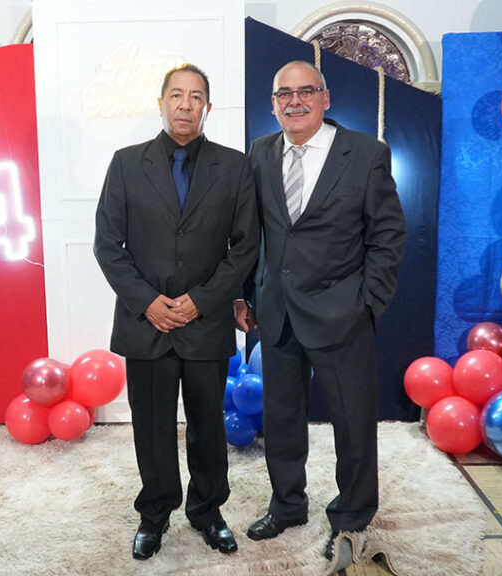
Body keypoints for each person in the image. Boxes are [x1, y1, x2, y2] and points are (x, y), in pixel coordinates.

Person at [236, 60, 407, 563]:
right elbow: (251, 233)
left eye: (306, 91)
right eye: (283, 93)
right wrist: (245, 294)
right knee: (281, 418)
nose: (295, 101)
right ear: (273, 104)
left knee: (353, 424)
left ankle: (351, 517)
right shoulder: (261, 152)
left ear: (325, 98)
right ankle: (287, 505)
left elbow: (388, 235)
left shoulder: (366, 153)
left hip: (342, 312)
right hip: (277, 311)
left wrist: (368, 303)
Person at [94, 64, 259, 561]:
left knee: (208, 426)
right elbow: (108, 245)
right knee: (152, 427)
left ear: (208, 106)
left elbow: (244, 248)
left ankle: (208, 512)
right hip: (146, 323)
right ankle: (155, 513)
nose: (186, 105)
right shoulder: (126, 163)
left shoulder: (235, 167)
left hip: (205, 322)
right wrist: (148, 302)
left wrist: (202, 300)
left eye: (196, 97)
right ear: (161, 103)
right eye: (177, 95)